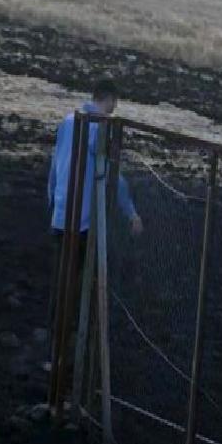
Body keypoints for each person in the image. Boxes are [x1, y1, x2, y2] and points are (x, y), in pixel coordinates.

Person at [46, 78, 142, 376]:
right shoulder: (97, 128)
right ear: (108, 98)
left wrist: (53, 202)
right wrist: (131, 213)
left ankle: (57, 355)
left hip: (62, 215)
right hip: (83, 222)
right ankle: (80, 362)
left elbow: (54, 167)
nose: (114, 110)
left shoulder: (67, 121)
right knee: (85, 287)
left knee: (63, 285)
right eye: (114, 104)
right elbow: (113, 176)